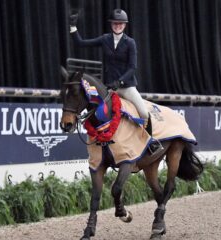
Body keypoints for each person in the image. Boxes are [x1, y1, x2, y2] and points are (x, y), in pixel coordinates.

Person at [69, 9, 162, 154]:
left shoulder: (130, 42)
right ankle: (103, 142)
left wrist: (119, 82)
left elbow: (132, 67)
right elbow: (81, 43)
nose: (118, 25)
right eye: (115, 23)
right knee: (96, 111)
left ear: (124, 26)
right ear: (111, 24)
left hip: (127, 87)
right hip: (109, 88)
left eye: (120, 24)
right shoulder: (105, 39)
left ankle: (152, 142)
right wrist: (73, 26)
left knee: (144, 113)